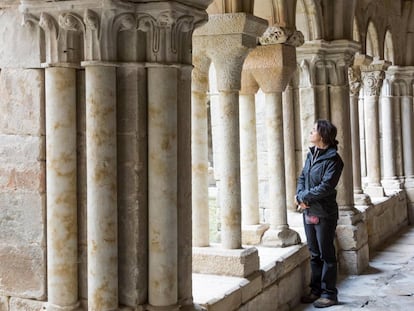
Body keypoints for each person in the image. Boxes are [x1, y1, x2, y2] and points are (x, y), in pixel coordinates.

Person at [295, 119, 344, 308]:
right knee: (314, 253)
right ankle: (315, 290)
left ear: (322, 135)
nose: (310, 132)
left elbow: (326, 187)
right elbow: (302, 176)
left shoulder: (334, 160)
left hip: (324, 213)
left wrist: (304, 197)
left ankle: (330, 294)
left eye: (313, 130)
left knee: (326, 254)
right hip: (308, 211)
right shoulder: (311, 154)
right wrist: (300, 195)